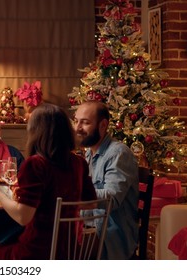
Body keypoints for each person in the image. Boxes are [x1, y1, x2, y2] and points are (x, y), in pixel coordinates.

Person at [0, 103, 97, 259]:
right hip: (69, 251)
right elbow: (91, 202)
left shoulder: (36, 164)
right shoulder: (79, 163)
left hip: (37, 252)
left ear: (36, 132)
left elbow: (23, 218)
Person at [74, 100, 139, 260]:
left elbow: (112, 198)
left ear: (103, 125)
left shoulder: (118, 153)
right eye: (76, 121)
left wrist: (73, 193)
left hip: (111, 236)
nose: (77, 128)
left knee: (56, 246)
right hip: (90, 227)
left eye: (85, 123)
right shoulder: (89, 153)